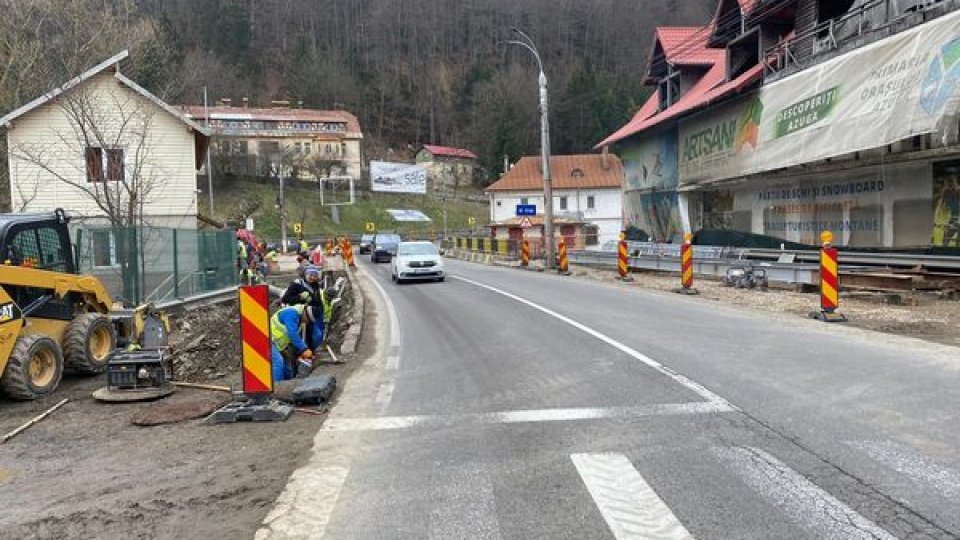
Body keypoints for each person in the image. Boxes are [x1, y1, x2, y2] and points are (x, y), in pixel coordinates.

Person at [282, 265, 325, 350]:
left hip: (312, 315)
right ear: (305, 274)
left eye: (314, 276)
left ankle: (313, 352)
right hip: (300, 316)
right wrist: (300, 298)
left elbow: (318, 300)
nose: (312, 277)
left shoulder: (315, 285)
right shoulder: (297, 285)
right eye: (310, 275)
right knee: (304, 337)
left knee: (317, 335)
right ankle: (304, 353)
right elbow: (285, 299)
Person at [269, 304, 316, 381]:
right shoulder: (291, 313)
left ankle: (287, 385)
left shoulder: (298, 318)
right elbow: (292, 333)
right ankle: (276, 387)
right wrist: (304, 349)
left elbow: (293, 337)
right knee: (278, 362)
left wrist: (300, 351)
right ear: (305, 313)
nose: (307, 322)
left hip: (278, 344)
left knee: (288, 368)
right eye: (308, 320)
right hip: (268, 339)